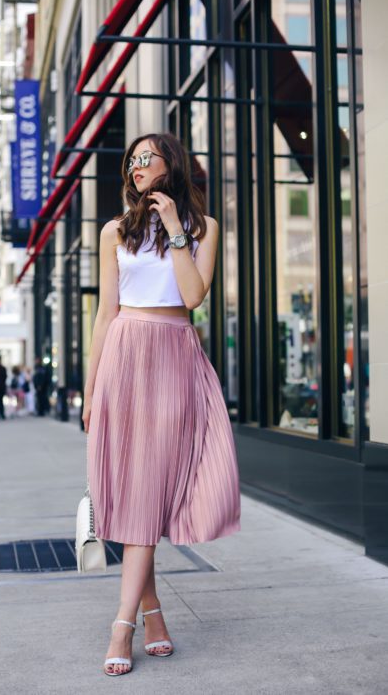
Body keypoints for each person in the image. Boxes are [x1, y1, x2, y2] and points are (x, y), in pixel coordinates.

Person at [83, 132, 241, 677]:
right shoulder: (113, 232)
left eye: (146, 157)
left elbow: (194, 295)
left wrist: (175, 226)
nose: (136, 165)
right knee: (133, 492)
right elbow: (106, 313)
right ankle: (149, 616)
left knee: (150, 487)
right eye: (132, 159)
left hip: (174, 357)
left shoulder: (203, 229)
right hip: (125, 358)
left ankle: (121, 622)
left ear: (170, 165)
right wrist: (91, 385)